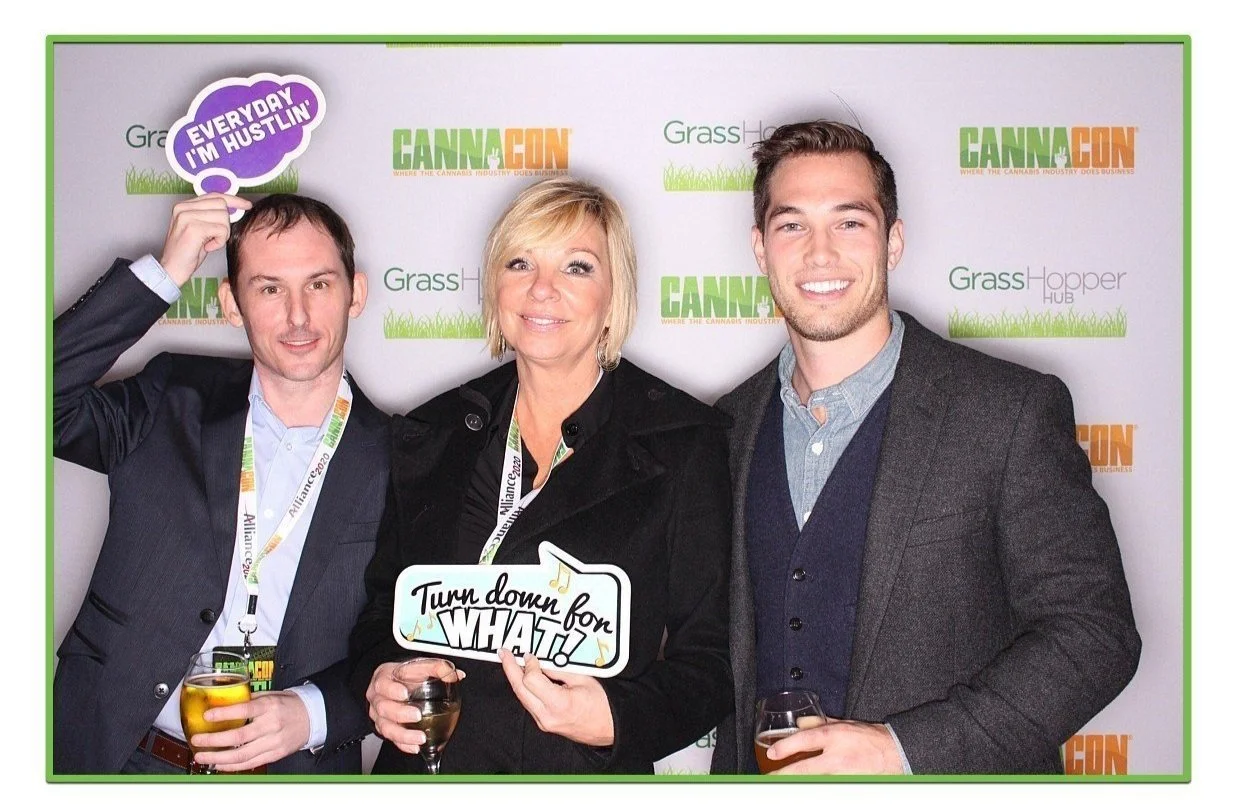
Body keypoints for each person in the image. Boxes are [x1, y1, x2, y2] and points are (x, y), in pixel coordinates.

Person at [709, 121, 1142, 775]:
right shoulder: (722, 429)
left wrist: (905, 749)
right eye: (792, 225)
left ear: (893, 241)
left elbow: (1095, 632)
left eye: (849, 222)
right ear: (761, 248)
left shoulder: (1008, 410)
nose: (819, 252)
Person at [348, 177, 733, 774]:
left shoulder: (684, 442)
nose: (542, 289)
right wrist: (381, 673)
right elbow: (379, 612)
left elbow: (711, 658)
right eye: (520, 262)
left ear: (614, 293)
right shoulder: (432, 432)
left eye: (577, 267)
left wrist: (616, 718)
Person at [53, 192, 389, 775]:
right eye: (268, 288)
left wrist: (313, 712)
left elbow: (405, 640)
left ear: (355, 293)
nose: (298, 316)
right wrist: (165, 272)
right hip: (115, 757)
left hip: (289, 772)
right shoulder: (168, 398)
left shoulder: (403, 457)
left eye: (319, 284)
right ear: (232, 304)